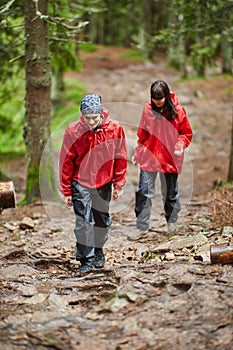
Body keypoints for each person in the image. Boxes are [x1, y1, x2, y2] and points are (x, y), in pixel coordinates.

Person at [59, 94, 128, 272]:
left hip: (103, 182)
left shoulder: (114, 129)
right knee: (83, 222)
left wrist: (119, 183)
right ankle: (86, 260)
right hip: (79, 182)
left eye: (94, 118)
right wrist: (67, 190)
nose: (90, 122)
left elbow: (120, 156)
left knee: (102, 220)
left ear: (101, 114)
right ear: (81, 115)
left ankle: (98, 250)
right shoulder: (73, 131)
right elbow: (66, 161)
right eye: (86, 118)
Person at [127, 80, 193, 241]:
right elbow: (142, 134)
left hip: (170, 157)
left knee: (170, 193)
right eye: (155, 99)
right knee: (144, 191)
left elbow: (186, 134)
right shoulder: (148, 110)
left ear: (166, 96)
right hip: (149, 157)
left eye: (161, 98)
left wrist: (179, 145)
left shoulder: (178, 111)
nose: (157, 102)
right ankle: (141, 226)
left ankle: (172, 223)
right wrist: (138, 152)